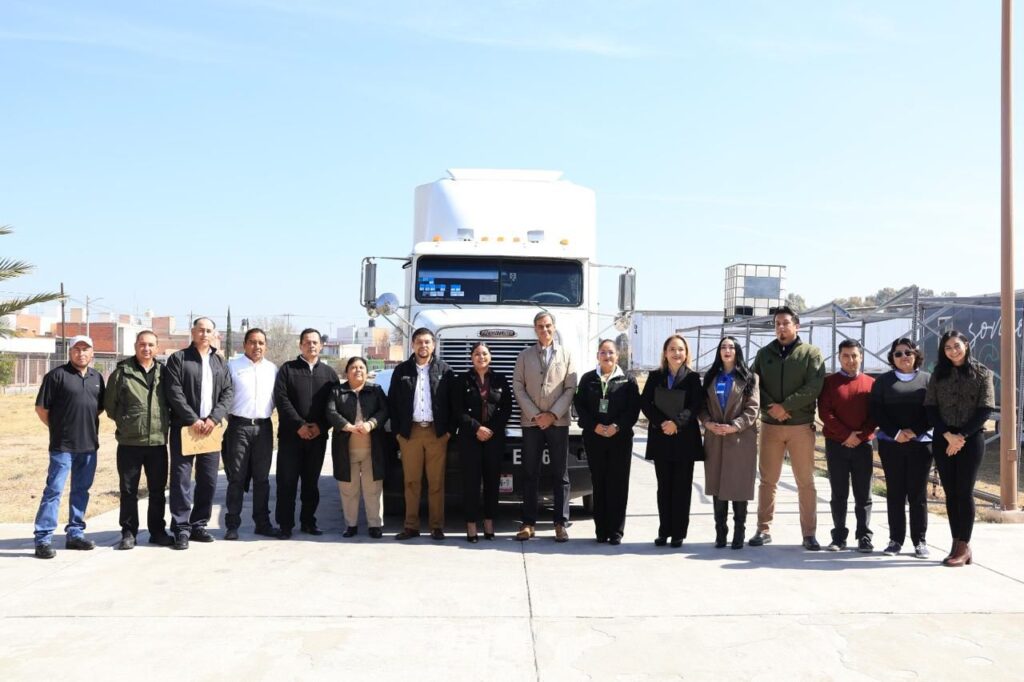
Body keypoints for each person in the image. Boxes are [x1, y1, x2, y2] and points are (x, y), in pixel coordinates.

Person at [749, 306, 826, 550]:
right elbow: (753, 383)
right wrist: (771, 407)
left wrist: (786, 406)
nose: (781, 327)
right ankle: (763, 529)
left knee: (805, 482)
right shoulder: (764, 354)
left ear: (796, 326)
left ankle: (809, 534)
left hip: (800, 426)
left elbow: (814, 386)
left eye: (785, 323)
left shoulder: (810, 353)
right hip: (770, 426)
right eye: (777, 324)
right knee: (767, 481)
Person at [924, 330, 995, 567]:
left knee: (964, 492)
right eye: (947, 347)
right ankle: (956, 543)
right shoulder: (938, 374)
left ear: (966, 344)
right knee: (951, 492)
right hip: (943, 438)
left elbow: (985, 409)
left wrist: (960, 437)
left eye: (956, 346)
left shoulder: (982, 373)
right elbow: (930, 407)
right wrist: (948, 435)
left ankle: (964, 545)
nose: (953, 351)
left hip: (970, 440)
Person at [32, 335, 106, 559]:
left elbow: (98, 408)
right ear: (70, 352)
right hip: (62, 446)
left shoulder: (97, 377)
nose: (81, 353)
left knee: (81, 491)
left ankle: (75, 534)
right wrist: (58, 428)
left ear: (92, 353)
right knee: (54, 491)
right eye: (77, 349)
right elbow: (41, 409)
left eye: (85, 349)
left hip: (88, 445)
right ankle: (43, 539)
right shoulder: (56, 376)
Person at [164, 317, 233, 551]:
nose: (204, 334)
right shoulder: (179, 359)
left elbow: (228, 392)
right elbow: (174, 391)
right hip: (185, 428)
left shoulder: (219, 362)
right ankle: (181, 528)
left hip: (211, 429)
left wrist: (213, 418)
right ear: (192, 332)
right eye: (200, 330)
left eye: (208, 330)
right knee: (181, 479)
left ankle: (199, 525)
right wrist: (193, 419)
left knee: (208, 479)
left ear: (214, 334)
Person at [103, 330, 173, 550]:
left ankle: (157, 531)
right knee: (128, 491)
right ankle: (128, 532)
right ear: (135, 346)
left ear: (157, 348)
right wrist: (128, 422)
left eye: (151, 345)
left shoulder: (165, 373)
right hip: (129, 443)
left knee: (157, 491)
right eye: (142, 344)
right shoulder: (122, 373)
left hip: (157, 443)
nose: (146, 349)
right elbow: (110, 406)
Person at [513, 311, 578, 542]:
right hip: (531, 423)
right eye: (540, 326)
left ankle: (560, 523)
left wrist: (552, 414)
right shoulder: (524, 356)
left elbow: (570, 388)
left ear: (554, 327)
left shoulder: (567, 355)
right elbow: (518, 386)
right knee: (530, 473)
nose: (545, 330)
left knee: (560, 473)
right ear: (535, 329)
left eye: (548, 325)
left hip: (557, 422)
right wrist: (535, 415)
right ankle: (528, 523)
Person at [388, 327, 455, 540]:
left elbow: (454, 404)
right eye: (419, 342)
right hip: (410, 433)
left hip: (437, 433)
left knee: (436, 482)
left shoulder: (445, 370)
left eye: (427, 342)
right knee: (411, 482)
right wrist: (398, 433)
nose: (423, 346)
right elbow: (392, 403)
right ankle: (411, 526)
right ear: (412, 345)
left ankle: (436, 526)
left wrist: (448, 432)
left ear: (433, 345)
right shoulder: (401, 371)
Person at [870, 337, 933, 559]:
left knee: (918, 494)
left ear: (916, 355)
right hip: (891, 444)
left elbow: (933, 411)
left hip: (921, 444)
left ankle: (920, 541)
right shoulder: (882, 382)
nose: (903, 357)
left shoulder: (928, 380)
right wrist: (896, 433)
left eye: (908, 352)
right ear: (892, 358)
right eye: (898, 353)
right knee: (895, 493)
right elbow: (877, 411)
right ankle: (895, 540)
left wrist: (914, 431)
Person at [573, 339, 640, 545]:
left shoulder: (628, 380)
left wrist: (616, 427)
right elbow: (579, 406)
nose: (607, 356)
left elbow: (633, 409)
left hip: (620, 439)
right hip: (595, 438)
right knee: (599, 483)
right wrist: (594, 426)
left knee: (618, 484)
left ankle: (616, 531)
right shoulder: (588, 379)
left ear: (617, 356)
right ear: (597, 356)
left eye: (611, 352)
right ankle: (601, 530)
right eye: (603, 352)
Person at [273, 328, 339, 539]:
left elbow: (334, 406)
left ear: (321, 346)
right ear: (300, 345)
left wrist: (321, 426)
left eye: (315, 342)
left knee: (311, 484)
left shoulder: (329, 375)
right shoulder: (287, 370)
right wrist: (299, 425)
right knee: (287, 482)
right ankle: (285, 525)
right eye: (307, 342)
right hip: (291, 437)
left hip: (317, 438)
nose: (311, 345)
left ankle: (308, 522)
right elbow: (282, 400)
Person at [640, 335, 703, 548]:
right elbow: (645, 403)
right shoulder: (655, 376)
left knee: (682, 488)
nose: (677, 353)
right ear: (665, 353)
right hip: (661, 438)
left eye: (681, 349)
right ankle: (664, 531)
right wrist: (662, 422)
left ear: (686, 353)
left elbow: (695, 405)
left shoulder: (692, 378)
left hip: (684, 440)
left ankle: (678, 533)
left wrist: (676, 423)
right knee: (664, 487)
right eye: (672, 349)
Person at [700, 336, 759, 550]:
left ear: (737, 352)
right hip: (715, 438)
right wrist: (708, 423)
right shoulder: (710, 377)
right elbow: (702, 406)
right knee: (717, 484)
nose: (727, 350)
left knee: (738, 485)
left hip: (740, 439)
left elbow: (753, 408)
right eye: (723, 347)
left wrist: (735, 426)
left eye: (731, 347)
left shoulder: (750, 377)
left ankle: (739, 532)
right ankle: (720, 532)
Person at [818, 339, 877, 553]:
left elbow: (875, 414)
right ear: (839, 357)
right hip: (837, 444)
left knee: (864, 494)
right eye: (845, 356)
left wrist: (859, 437)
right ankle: (839, 536)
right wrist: (846, 435)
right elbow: (825, 413)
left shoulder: (871, 383)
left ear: (861, 357)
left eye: (854, 355)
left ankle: (864, 536)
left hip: (863, 445)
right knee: (839, 493)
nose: (850, 360)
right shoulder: (829, 383)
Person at [222, 328, 279, 540]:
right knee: (236, 477)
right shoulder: (232, 367)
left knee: (262, 479)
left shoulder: (272, 369)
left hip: (263, 428)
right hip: (239, 428)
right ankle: (232, 525)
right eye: (253, 342)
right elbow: (224, 396)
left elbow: (276, 398)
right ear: (245, 344)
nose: (257, 346)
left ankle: (262, 523)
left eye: (261, 343)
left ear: (266, 346)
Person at [453, 343, 512, 542]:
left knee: (492, 481)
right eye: (477, 354)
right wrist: (476, 428)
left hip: (494, 438)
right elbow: (457, 410)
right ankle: (471, 524)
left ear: (490, 357)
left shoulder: (500, 379)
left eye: (485, 353)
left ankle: (489, 522)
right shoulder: (462, 380)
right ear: (471, 357)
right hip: (470, 437)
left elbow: (506, 408)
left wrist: (491, 429)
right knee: (470, 482)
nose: (481, 357)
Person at [326, 356, 389, 539]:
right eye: (353, 367)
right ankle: (350, 525)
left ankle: (375, 525)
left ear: (367, 371)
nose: (358, 370)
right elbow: (330, 412)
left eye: (361, 367)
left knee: (373, 489)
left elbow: (385, 410)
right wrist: (347, 426)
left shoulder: (375, 390)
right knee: (348, 489)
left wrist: (371, 424)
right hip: (346, 449)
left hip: (372, 449)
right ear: (347, 372)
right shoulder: (337, 391)